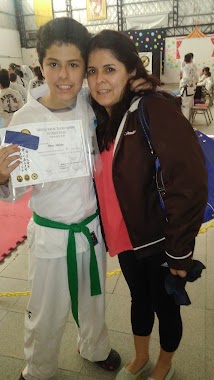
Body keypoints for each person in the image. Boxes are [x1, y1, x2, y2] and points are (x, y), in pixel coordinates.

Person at [0, 18, 121, 380]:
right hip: (51, 236)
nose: (64, 75)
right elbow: (18, 186)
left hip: (91, 230)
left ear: (85, 67)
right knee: (45, 311)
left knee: (94, 301)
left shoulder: (90, 105)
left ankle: (94, 347)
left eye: (73, 65)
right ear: (41, 64)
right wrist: (3, 175)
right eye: (54, 64)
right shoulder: (26, 121)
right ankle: (38, 368)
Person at [86, 30, 208, 380]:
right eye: (92, 71)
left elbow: (190, 181)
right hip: (126, 239)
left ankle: (165, 364)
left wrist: (180, 253)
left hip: (159, 241)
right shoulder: (105, 118)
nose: (99, 80)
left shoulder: (153, 108)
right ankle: (140, 357)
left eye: (109, 69)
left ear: (131, 71)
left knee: (165, 307)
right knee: (139, 300)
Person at [180, 53, 198, 120]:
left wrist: (188, 83)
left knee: (185, 107)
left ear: (184, 59)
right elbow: (196, 77)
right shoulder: (193, 66)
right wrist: (193, 82)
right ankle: (189, 121)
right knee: (189, 106)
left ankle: (185, 123)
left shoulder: (185, 67)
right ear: (191, 59)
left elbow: (185, 77)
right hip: (191, 89)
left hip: (186, 89)